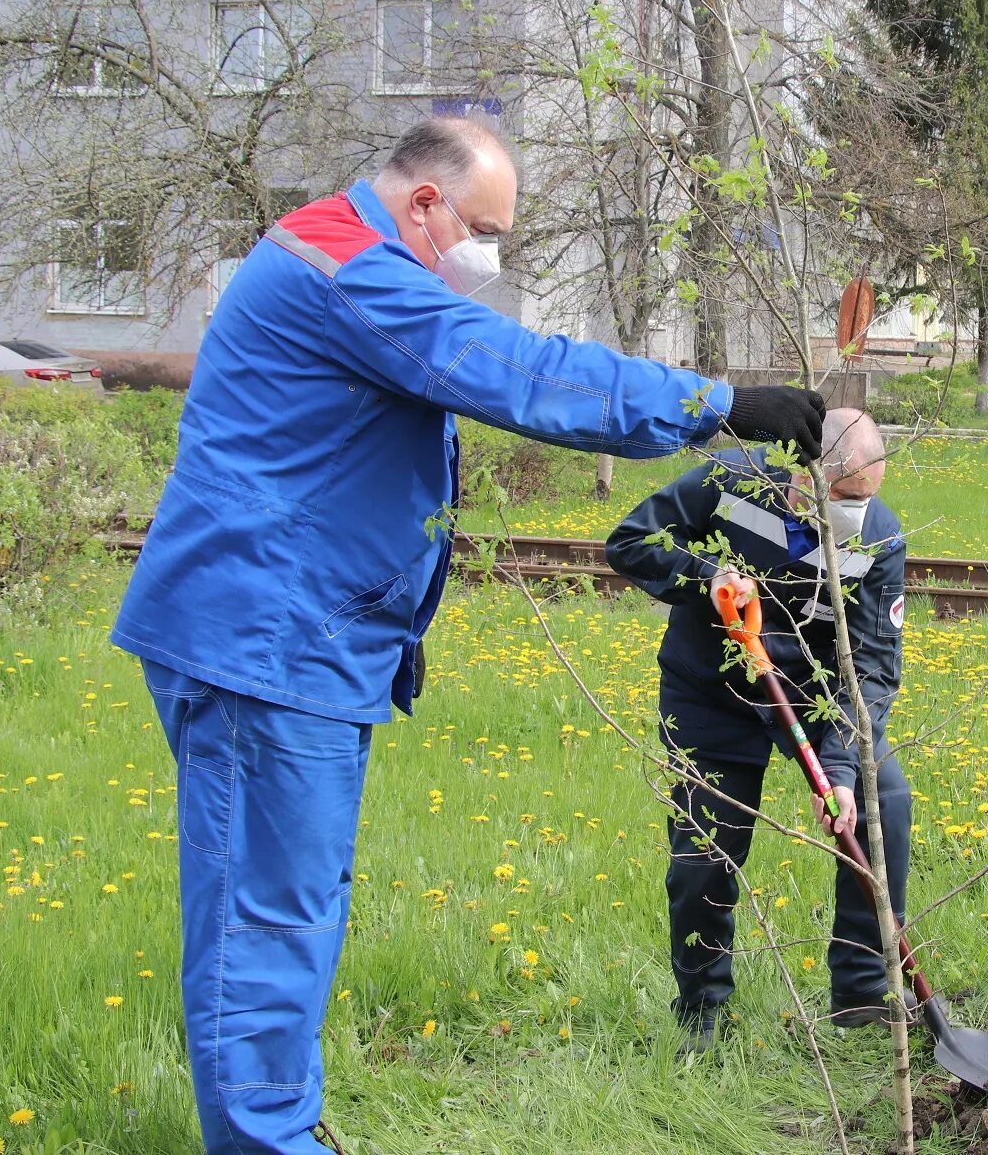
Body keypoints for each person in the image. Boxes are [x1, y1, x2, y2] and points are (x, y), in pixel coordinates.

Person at [110, 116, 825, 1155]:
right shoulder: (349, 267)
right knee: (264, 926)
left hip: (292, 635)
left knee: (288, 911)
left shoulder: (336, 248)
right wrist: (715, 402)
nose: (485, 256)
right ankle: (269, 1142)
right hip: (265, 642)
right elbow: (517, 372)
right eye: (482, 229)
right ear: (424, 203)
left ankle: (278, 1131)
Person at [605, 409, 909, 1052]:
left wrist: (845, 771)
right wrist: (703, 579)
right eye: (847, 497)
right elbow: (630, 541)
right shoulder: (730, 484)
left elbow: (874, 667)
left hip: (812, 699)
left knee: (886, 802)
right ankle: (702, 1013)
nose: (860, 511)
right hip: (709, 694)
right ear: (803, 477)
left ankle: (859, 998)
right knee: (701, 858)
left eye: (868, 497)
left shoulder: (877, 537)